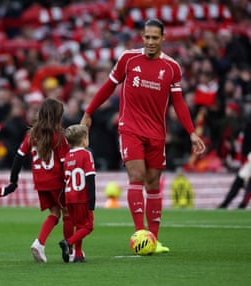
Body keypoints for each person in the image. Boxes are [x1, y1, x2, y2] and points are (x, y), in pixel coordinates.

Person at [80, 18, 206, 253]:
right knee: (136, 175)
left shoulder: (172, 68)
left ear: (163, 38)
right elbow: (108, 86)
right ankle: (140, 234)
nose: (149, 42)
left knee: (153, 183)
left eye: (154, 38)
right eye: (146, 37)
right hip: (130, 128)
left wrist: (191, 133)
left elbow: (178, 102)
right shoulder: (128, 59)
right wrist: (88, 112)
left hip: (157, 133)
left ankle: (154, 240)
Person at [9, 97, 73, 263]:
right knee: (67, 213)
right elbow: (65, 162)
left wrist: (13, 180)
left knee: (54, 213)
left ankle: (39, 243)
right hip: (57, 182)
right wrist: (70, 182)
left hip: (40, 182)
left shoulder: (31, 135)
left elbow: (19, 157)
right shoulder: (59, 136)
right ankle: (71, 250)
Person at [59, 124, 96, 263]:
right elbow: (90, 177)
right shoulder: (87, 154)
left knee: (79, 226)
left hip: (69, 197)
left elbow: (65, 178)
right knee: (88, 226)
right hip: (82, 197)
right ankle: (68, 243)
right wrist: (92, 200)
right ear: (83, 140)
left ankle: (78, 254)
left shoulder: (68, 156)